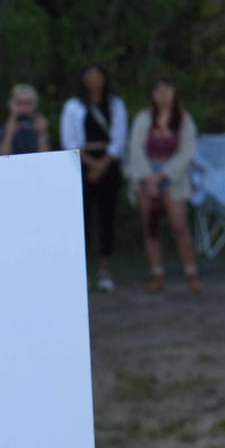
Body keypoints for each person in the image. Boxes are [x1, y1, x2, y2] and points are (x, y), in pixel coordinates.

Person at [124, 77, 201, 293]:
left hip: (173, 178)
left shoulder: (184, 119)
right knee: (151, 226)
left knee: (179, 226)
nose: (163, 94)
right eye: (158, 90)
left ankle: (191, 272)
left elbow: (187, 151)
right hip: (146, 177)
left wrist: (165, 175)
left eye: (167, 89)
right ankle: (156, 273)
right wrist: (148, 177)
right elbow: (135, 148)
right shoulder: (144, 118)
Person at [62, 64, 127, 292]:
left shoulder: (116, 105)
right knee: (82, 219)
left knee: (107, 217)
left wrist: (103, 164)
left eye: (98, 76)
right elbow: (69, 141)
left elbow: (119, 139)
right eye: (89, 77)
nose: (94, 81)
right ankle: (83, 272)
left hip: (109, 164)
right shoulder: (73, 107)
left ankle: (105, 270)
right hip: (81, 165)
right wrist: (89, 162)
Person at [0, 85, 51, 156]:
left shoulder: (40, 129)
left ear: (35, 105)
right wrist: (9, 134)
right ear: (10, 104)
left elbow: (45, 158)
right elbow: (1, 157)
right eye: (19, 103)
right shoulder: (1, 131)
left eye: (29, 103)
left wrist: (42, 135)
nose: (24, 108)